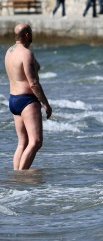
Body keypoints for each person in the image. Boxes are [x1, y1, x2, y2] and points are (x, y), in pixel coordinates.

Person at [4, 23, 52, 170]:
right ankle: (22, 176)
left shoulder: (9, 51)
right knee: (35, 142)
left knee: (22, 142)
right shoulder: (26, 54)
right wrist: (46, 104)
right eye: (31, 32)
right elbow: (33, 84)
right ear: (27, 35)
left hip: (13, 99)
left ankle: (16, 177)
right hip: (27, 100)